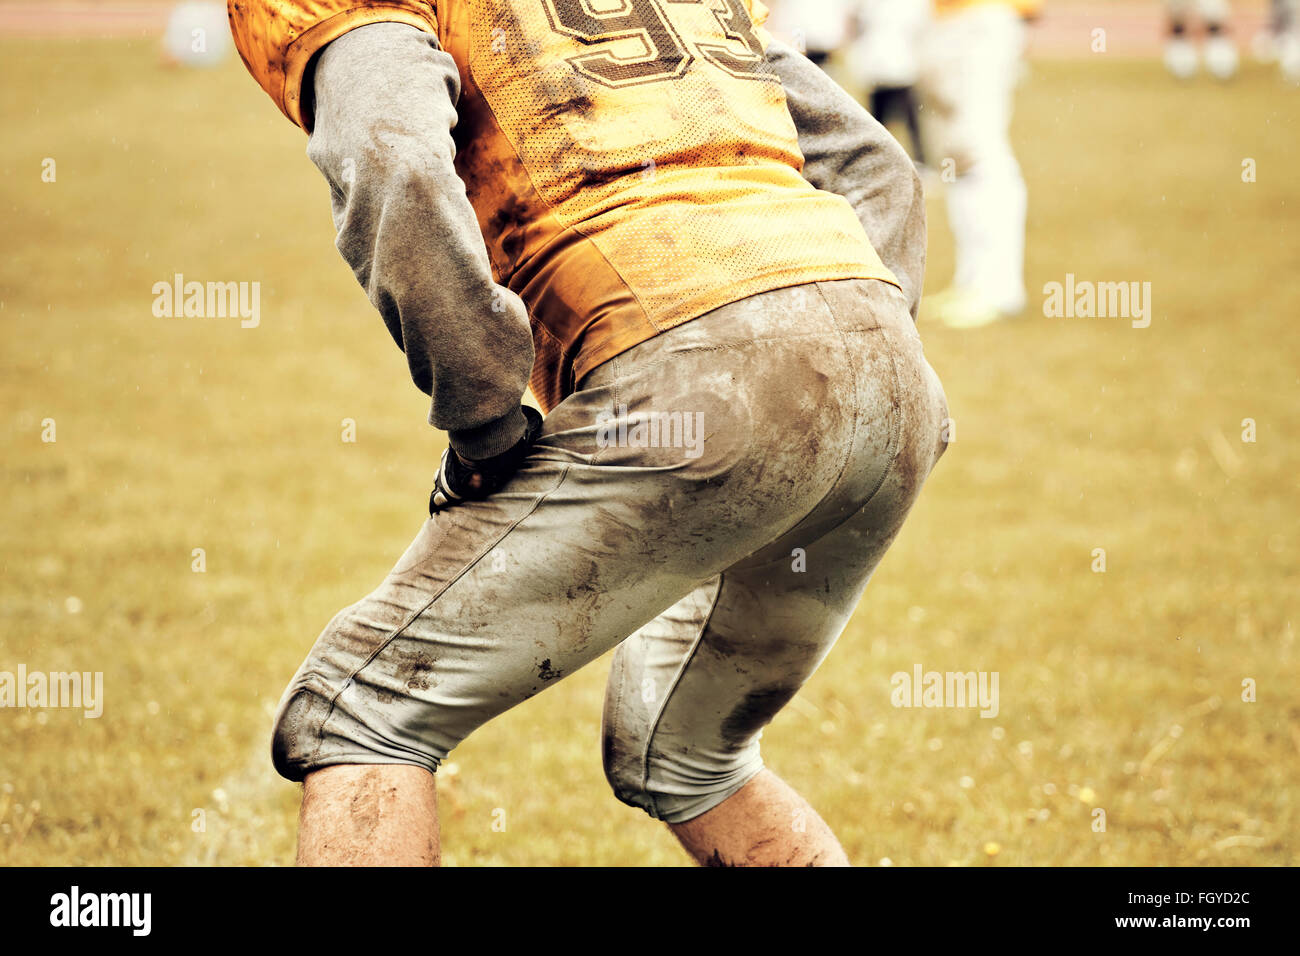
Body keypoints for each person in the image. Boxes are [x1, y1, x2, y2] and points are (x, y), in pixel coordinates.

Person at [228, 0, 947, 866]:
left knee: (362, 710)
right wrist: (855, 344)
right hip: (892, 375)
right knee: (681, 752)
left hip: (698, 355)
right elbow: (877, 166)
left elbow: (393, 157)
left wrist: (486, 425)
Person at [919, 0, 1040, 329]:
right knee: (955, 156)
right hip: (946, 17)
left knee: (981, 148)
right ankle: (971, 282)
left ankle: (1001, 288)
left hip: (983, 15)